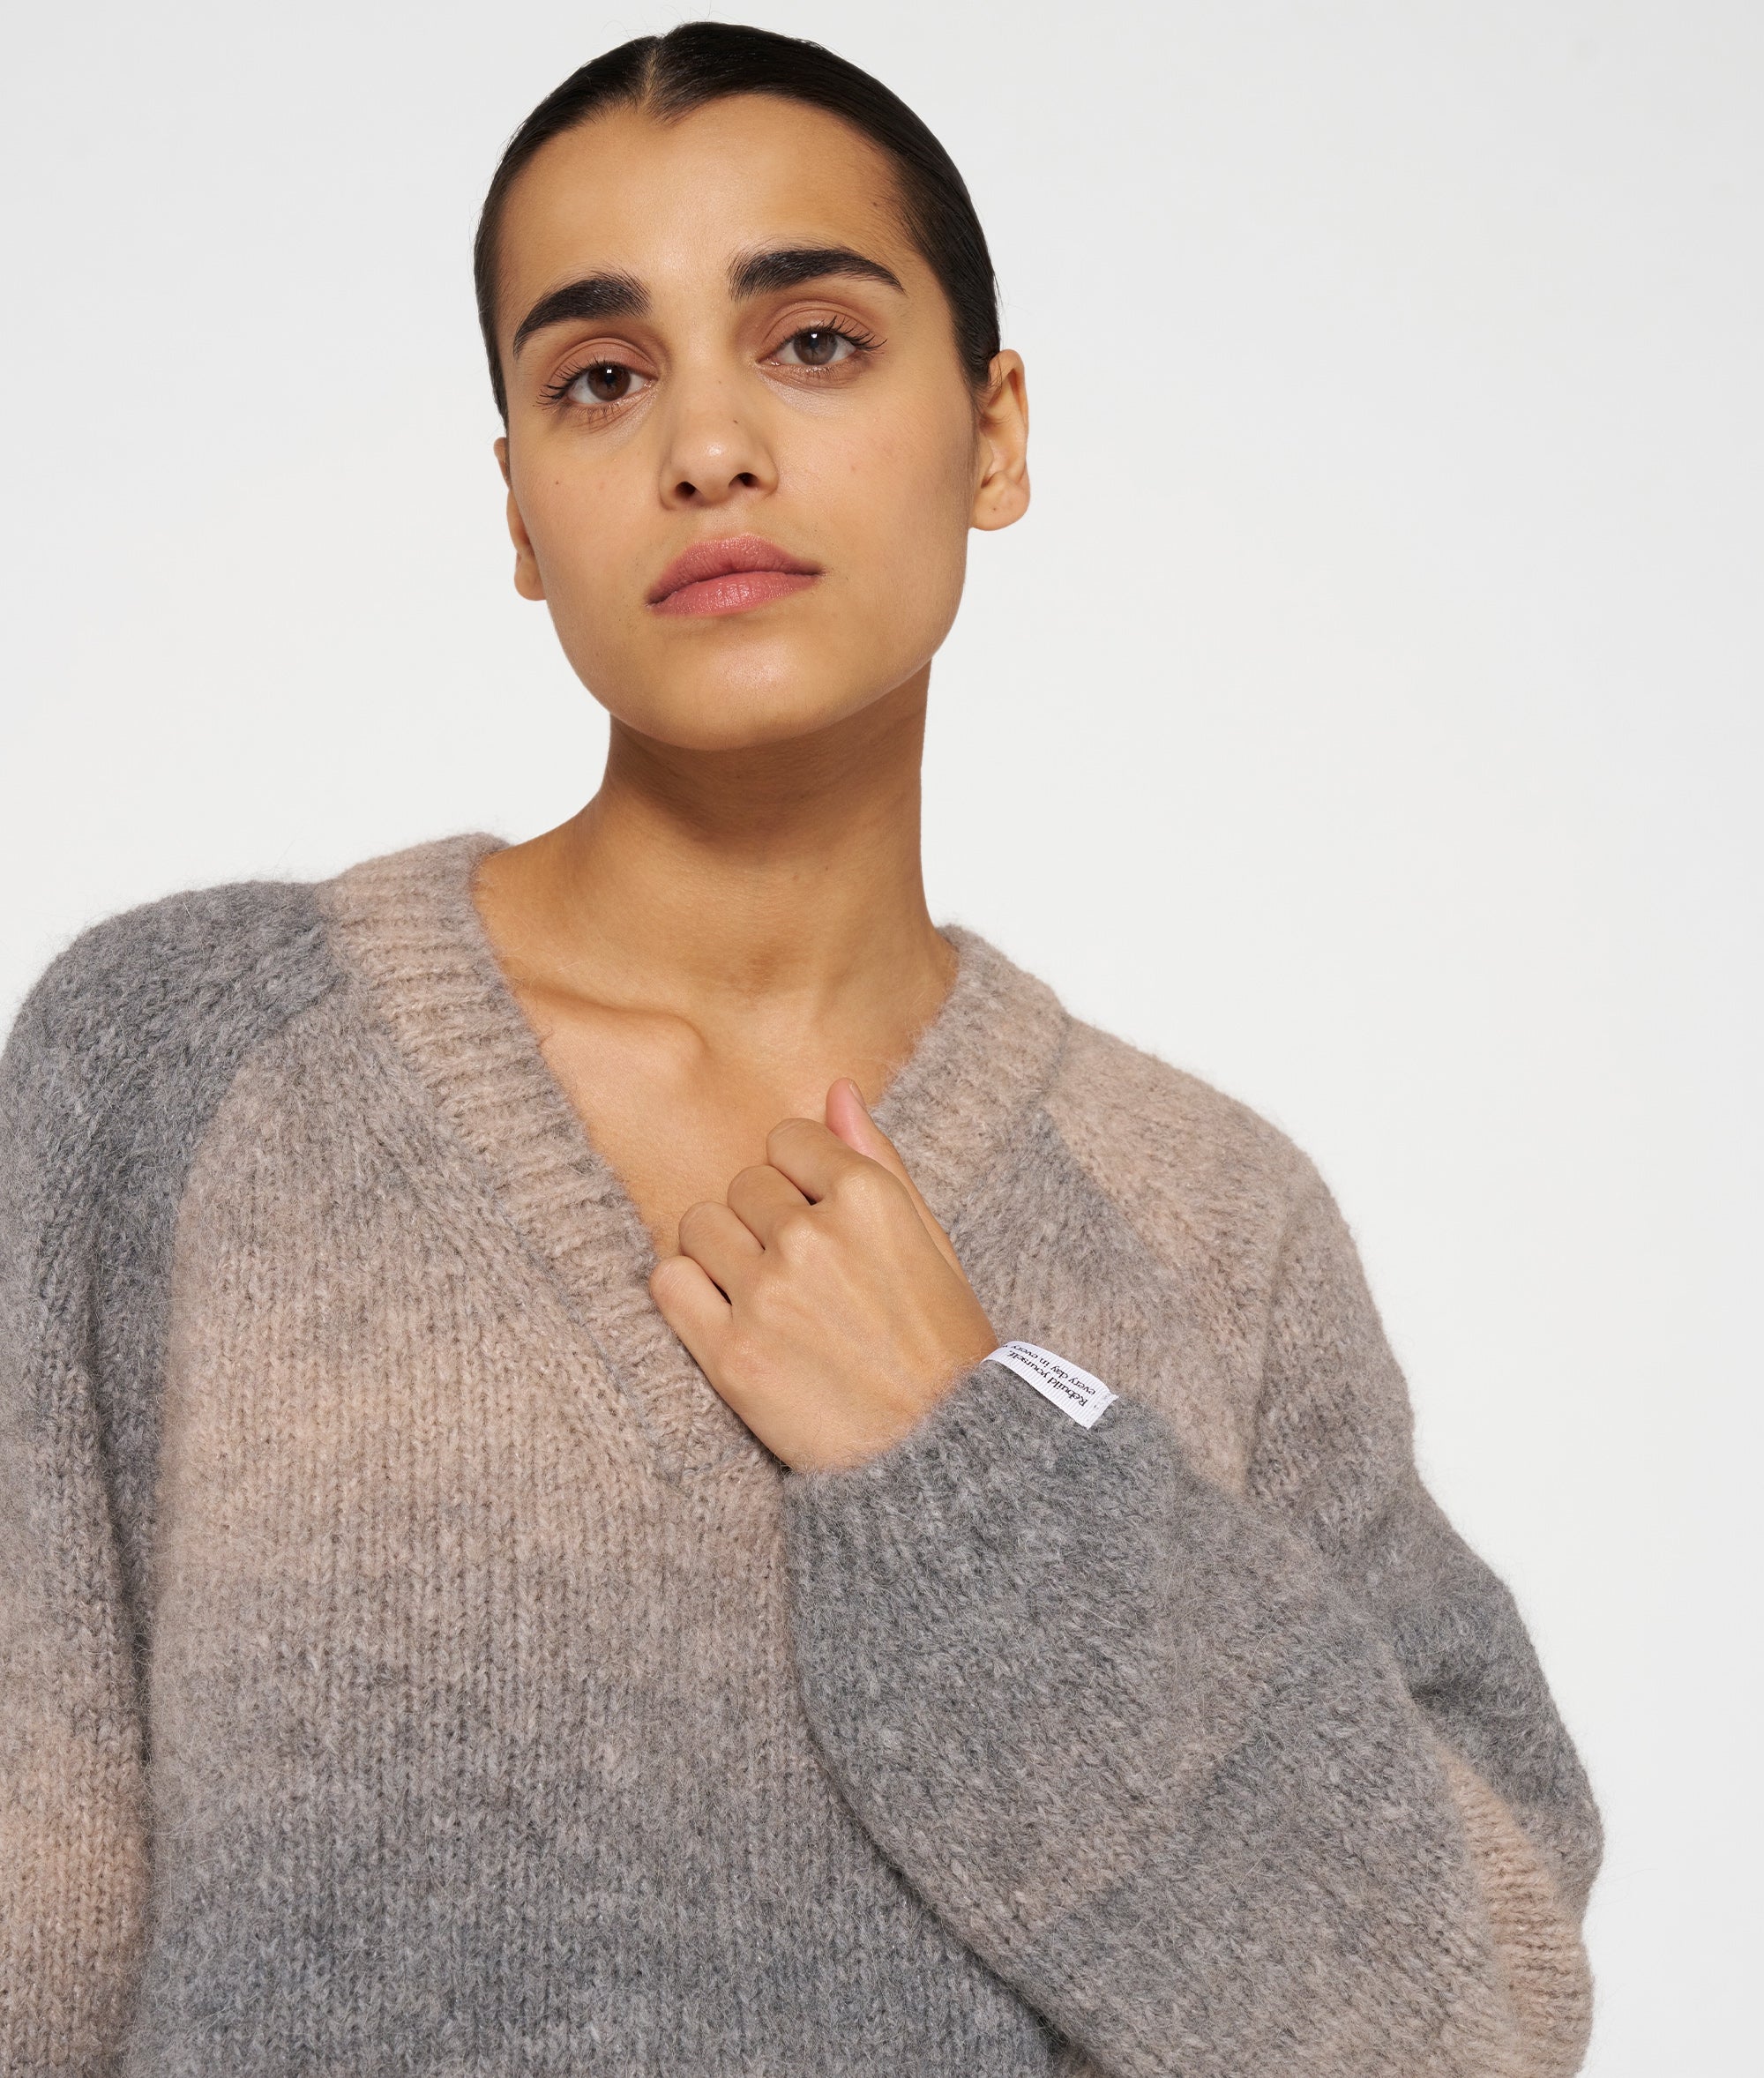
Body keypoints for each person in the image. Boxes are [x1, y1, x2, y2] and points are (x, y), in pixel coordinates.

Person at [0, 22, 1600, 2075]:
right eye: (600, 378)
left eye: (815, 342)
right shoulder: (179, 1071)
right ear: (520, 507)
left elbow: (1473, 2020)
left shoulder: (1213, 1224)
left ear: (993, 432)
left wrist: (976, 1466)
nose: (708, 446)